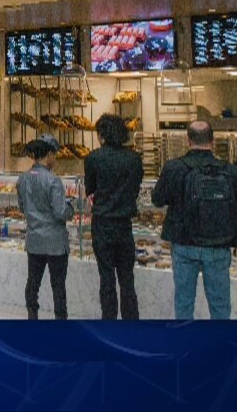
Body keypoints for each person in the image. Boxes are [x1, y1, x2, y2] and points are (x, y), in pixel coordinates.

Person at [152, 120, 237, 320]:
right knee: (220, 307)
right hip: (218, 245)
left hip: (183, 245)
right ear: (213, 141)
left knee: (184, 304)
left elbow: (157, 200)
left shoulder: (174, 168)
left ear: (188, 140)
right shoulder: (229, 170)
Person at [84, 113, 144, 320]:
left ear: (101, 135)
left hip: (102, 224)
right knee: (127, 278)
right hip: (124, 225)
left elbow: (90, 190)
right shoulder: (134, 159)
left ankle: (109, 324)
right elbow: (135, 189)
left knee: (106, 278)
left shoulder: (93, 158)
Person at [17, 133, 74, 319]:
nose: (55, 160)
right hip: (55, 243)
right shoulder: (52, 180)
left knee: (32, 284)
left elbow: (22, 207)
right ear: (49, 154)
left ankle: (32, 318)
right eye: (55, 155)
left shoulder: (23, 179)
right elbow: (60, 212)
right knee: (58, 287)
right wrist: (71, 207)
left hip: (34, 240)